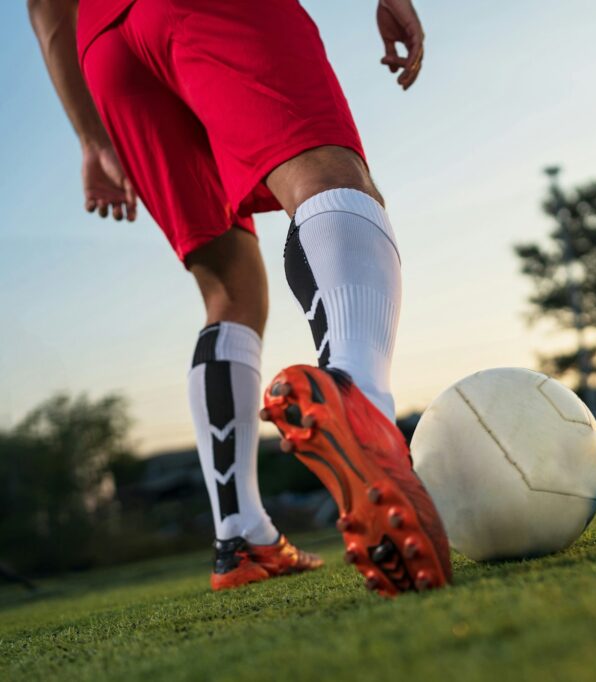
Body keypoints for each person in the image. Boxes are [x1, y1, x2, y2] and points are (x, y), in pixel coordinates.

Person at [27, 0, 451, 595]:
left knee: (231, 289)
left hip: (106, 48)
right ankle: (365, 408)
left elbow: (45, 9)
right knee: (326, 174)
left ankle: (242, 535)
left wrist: (90, 138)